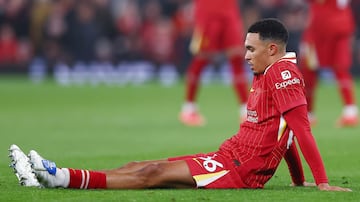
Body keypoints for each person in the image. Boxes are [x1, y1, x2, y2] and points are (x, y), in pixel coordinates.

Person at [9, 19, 351, 191]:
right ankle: (55, 178)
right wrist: (296, 181)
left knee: (151, 174)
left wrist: (319, 182)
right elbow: (285, 132)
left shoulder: (283, 74)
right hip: (227, 156)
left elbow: (300, 128)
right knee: (139, 164)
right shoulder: (268, 72)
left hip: (239, 170)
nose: (245, 56)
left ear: (272, 49)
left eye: (251, 49)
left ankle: (62, 178)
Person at [179, 0, 249, 126]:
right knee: (202, 58)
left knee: (237, 57)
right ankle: (188, 108)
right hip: (208, 12)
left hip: (229, 11)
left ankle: (245, 111)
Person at [299, 0, 358, 127]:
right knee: (311, 71)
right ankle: (349, 112)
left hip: (326, 30)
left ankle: (350, 112)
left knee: (338, 69)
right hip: (328, 30)